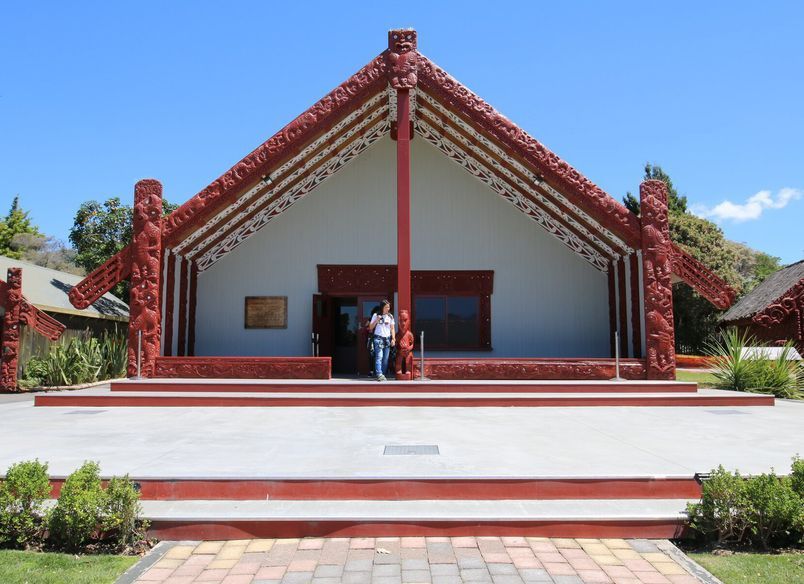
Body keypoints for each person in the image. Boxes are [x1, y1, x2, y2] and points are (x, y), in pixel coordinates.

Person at [368, 299, 395, 381]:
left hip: (387, 339)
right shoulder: (376, 315)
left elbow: (392, 328)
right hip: (378, 338)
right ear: (382, 307)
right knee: (379, 356)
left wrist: (393, 339)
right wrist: (376, 320)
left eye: (389, 307)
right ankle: (379, 374)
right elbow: (370, 327)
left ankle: (382, 374)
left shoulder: (390, 316)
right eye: (386, 307)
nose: (388, 309)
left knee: (385, 359)